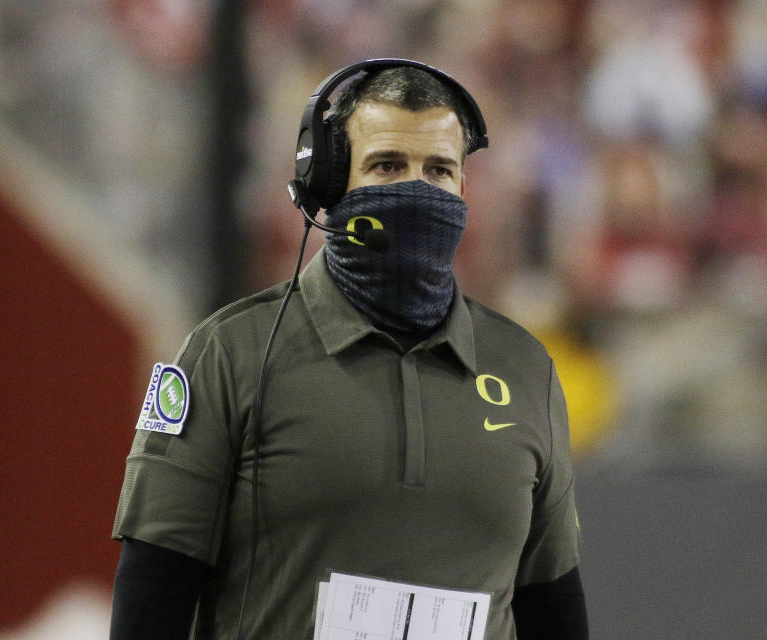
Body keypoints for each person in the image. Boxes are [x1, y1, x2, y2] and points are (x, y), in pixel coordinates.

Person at [109, 59, 588, 639]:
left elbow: (553, 605)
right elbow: (152, 598)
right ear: (329, 183)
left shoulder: (526, 369)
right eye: (387, 165)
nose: (415, 189)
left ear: (464, 187)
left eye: (438, 169)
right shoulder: (229, 354)